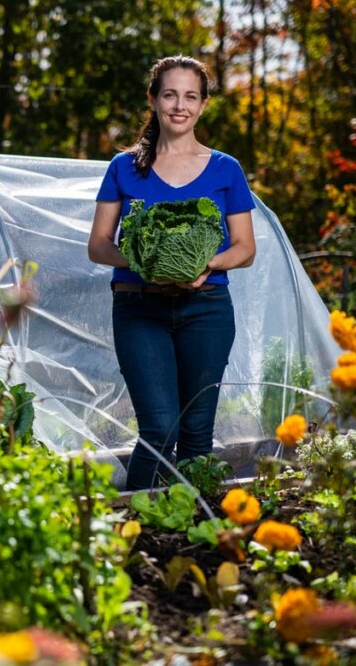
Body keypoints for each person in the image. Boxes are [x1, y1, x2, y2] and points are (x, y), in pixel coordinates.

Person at [87, 55, 256, 491]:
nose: (179, 105)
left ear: (202, 105)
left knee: (197, 436)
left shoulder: (226, 169)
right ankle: (135, 530)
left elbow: (245, 248)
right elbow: (98, 245)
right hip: (139, 308)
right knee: (160, 430)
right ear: (153, 99)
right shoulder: (123, 167)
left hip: (207, 309)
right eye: (170, 95)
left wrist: (207, 265)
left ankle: (188, 537)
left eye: (190, 96)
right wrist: (148, 264)